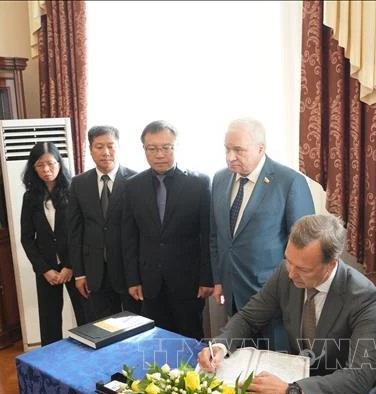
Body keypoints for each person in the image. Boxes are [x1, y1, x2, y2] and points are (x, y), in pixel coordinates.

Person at [198, 213, 376, 394]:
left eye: (303, 269)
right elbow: (248, 318)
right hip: (296, 378)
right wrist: (220, 345)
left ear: (331, 265)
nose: (291, 273)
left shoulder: (364, 296)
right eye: (288, 260)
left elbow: (360, 374)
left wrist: (292, 391)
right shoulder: (285, 273)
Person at [210, 117, 315, 349]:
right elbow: (216, 236)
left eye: (238, 150)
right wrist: (218, 280)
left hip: (273, 298)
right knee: (238, 369)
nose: (230, 157)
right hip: (233, 294)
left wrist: (290, 291)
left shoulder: (290, 182)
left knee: (271, 368)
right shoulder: (219, 179)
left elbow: (305, 245)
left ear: (260, 148)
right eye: (227, 149)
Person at [122, 121, 213, 339]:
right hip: (150, 280)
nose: (159, 154)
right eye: (152, 148)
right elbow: (129, 236)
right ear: (144, 149)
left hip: (188, 280)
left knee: (190, 337)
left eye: (166, 147)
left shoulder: (199, 183)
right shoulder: (132, 185)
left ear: (176, 146)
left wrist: (207, 278)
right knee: (157, 339)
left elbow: (208, 233)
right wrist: (133, 279)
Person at [67, 126, 138, 322]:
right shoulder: (79, 183)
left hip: (128, 272)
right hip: (95, 272)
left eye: (110, 146)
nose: (105, 152)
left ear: (119, 147)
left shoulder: (135, 179)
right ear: (90, 150)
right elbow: (74, 232)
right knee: (103, 329)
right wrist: (79, 274)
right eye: (99, 147)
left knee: (135, 327)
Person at [20, 142, 87, 346]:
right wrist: (44, 270)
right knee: (49, 322)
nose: (46, 170)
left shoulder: (74, 190)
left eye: (51, 163)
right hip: (47, 268)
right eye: (40, 165)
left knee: (85, 316)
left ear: (59, 163)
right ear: (33, 168)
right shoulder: (30, 197)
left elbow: (82, 232)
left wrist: (70, 266)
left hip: (74, 266)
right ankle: (51, 366)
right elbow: (27, 238)